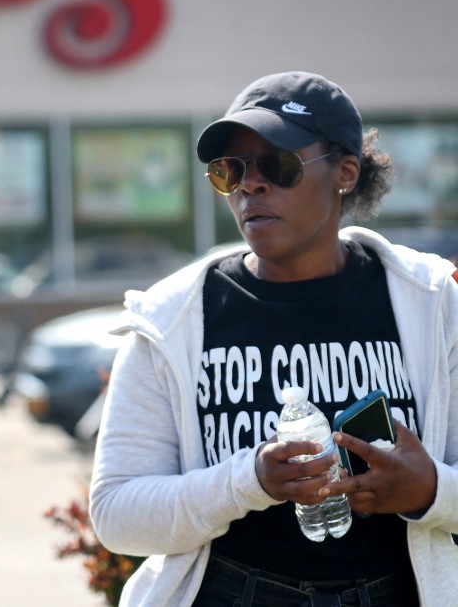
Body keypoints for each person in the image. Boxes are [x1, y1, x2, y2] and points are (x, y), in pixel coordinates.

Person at [89, 71, 458, 606]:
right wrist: (249, 481)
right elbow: (118, 515)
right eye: (230, 171)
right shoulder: (172, 321)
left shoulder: (432, 305)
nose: (250, 186)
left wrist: (430, 491)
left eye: (277, 164)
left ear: (345, 173)